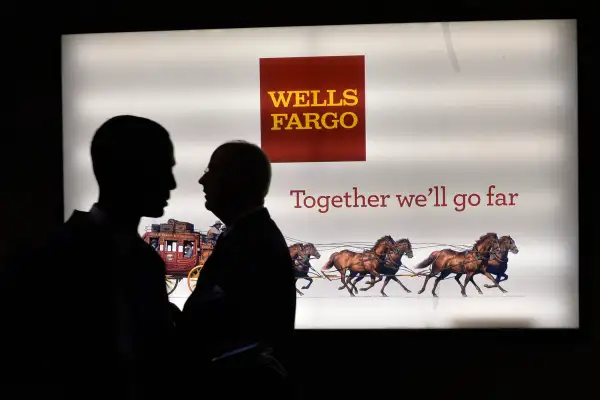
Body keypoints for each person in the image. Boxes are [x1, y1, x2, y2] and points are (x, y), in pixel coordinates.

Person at [0, 115, 178, 399]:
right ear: (124, 170)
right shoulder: (45, 259)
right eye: (162, 168)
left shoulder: (45, 253)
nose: (172, 183)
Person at [178, 140, 297, 399]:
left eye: (212, 170)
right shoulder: (250, 235)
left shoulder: (250, 242)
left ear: (239, 180)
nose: (202, 180)